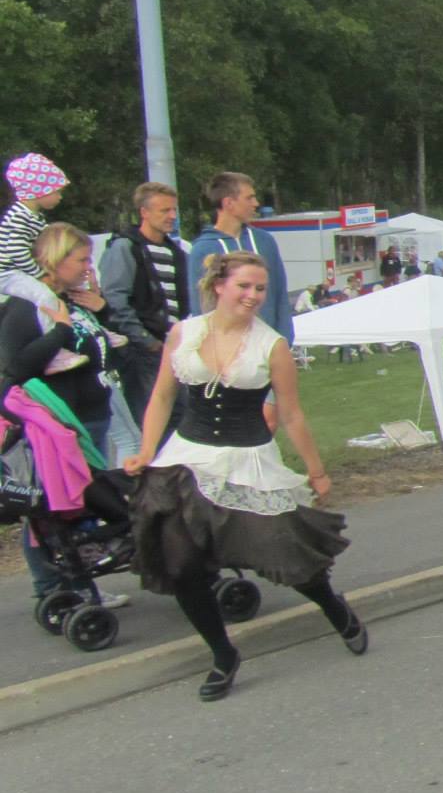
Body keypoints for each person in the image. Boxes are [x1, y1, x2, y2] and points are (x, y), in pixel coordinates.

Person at [123, 251, 365, 702]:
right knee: (182, 564)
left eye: (260, 289)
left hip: (249, 462)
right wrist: (146, 452)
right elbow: (161, 397)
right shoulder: (184, 333)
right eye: (244, 286)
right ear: (219, 285)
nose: (253, 296)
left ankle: (335, 609)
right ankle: (223, 654)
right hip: (187, 460)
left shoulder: (272, 346)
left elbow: (291, 414)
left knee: (286, 557)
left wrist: (316, 472)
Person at [1, 223, 125, 603]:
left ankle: (82, 583)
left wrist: (103, 311)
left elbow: (107, 348)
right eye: (82, 260)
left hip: (92, 416)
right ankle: (54, 588)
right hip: (58, 423)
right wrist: (58, 331)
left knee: (81, 507)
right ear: (55, 260)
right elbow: (15, 368)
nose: (88, 268)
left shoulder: (73, 299)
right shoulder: (29, 305)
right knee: (51, 508)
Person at [186, 172, 294, 343]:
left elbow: (280, 292)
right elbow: (201, 307)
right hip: (226, 346)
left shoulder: (265, 241)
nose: (256, 203)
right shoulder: (203, 249)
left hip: (270, 343)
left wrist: (285, 339)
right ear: (228, 203)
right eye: (249, 198)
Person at [0, 153, 66, 278]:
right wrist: (40, 275)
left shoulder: (33, 216)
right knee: (43, 291)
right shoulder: (20, 216)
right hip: (8, 273)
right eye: (57, 192)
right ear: (39, 191)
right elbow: (16, 251)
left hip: (19, 271)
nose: (60, 197)